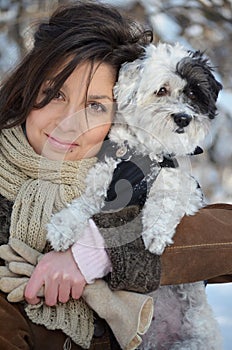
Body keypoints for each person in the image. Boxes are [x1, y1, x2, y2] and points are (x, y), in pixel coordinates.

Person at [0, 1, 231, 349]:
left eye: (95, 106)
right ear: (27, 89)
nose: (69, 122)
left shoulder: (135, 170)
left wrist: (106, 248)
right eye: (53, 94)